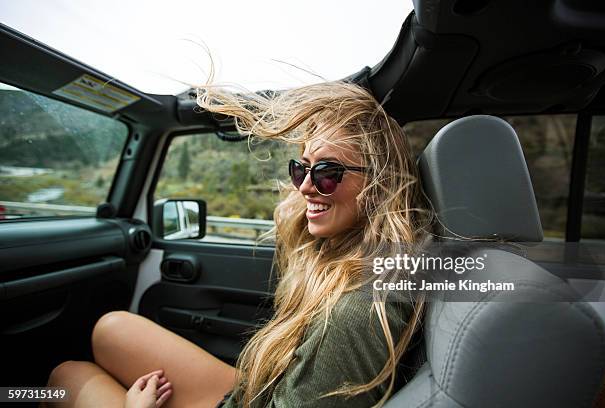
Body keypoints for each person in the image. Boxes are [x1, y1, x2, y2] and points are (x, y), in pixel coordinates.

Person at [46, 80, 431, 408]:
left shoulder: (358, 311)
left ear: (380, 183)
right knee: (111, 328)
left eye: (328, 173)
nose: (306, 187)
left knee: (67, 376)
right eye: (301, 168)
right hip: (256, 392)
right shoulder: (359, 258)